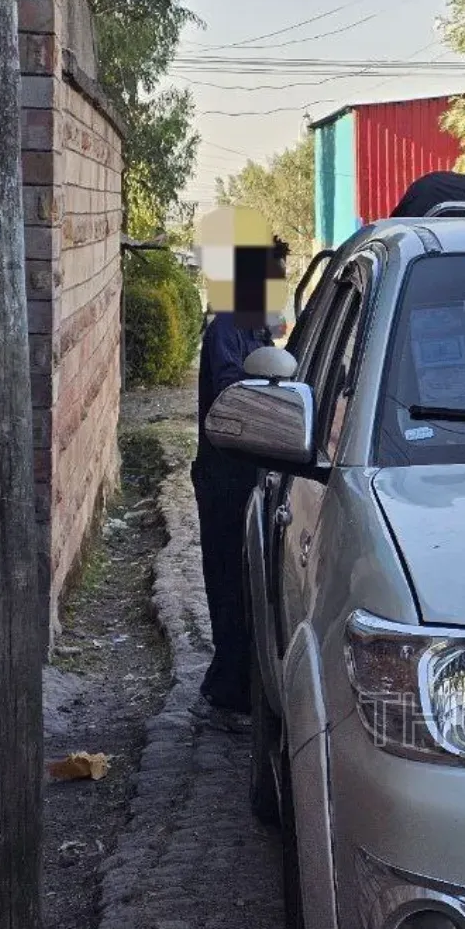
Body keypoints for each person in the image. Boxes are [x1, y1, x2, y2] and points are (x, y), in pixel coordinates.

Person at [191, 299, 273, 730]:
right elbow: (230, 387)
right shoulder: (227, 328)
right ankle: (226, 691)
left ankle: (238, 681)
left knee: (248, 586)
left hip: (250, 472)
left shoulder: (255, 329)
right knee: (228, 583)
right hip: (225, 478)